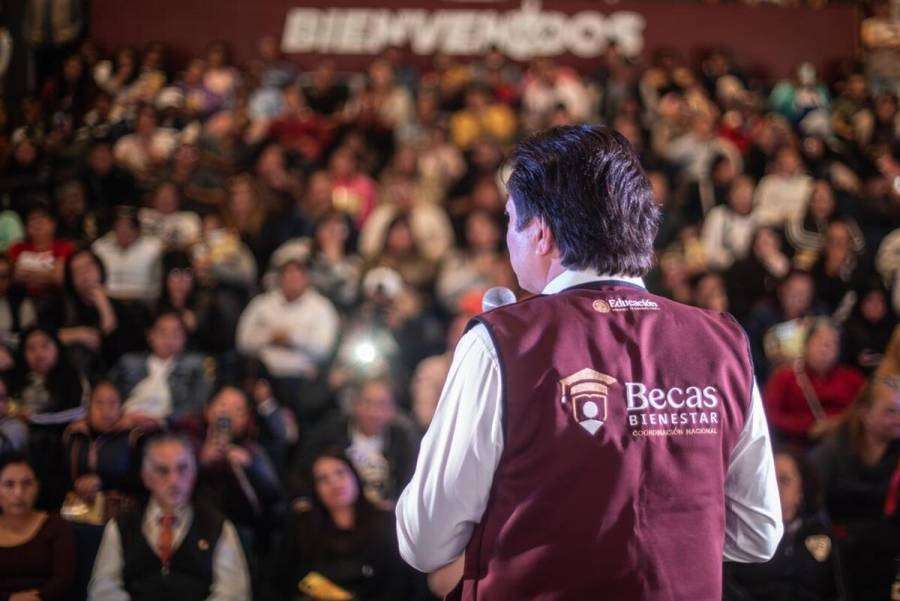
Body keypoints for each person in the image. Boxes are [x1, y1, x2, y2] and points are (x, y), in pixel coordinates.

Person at [396, 126, 782, 599]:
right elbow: (757, 533)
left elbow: (424, 541)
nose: (507, 239)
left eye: (510, 220)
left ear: (541, 233)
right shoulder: (722, 341)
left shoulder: (501, 342)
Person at [88, 433, 251, 601]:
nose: (174, 480)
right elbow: (103, 589)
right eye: (162, 471)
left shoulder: (216, 525)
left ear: (194, 473)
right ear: (146, 477)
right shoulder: (122, 524)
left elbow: (233, 593)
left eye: (182, 469)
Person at [268, 448, 408, 601]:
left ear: (355, 477)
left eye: (340, 473)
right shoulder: (303, 526)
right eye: (323, 479)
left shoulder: (385, 522)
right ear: (315, 489)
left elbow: (401, 582)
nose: (334, 483)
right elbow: (282, 581)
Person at [808, 379, 900, 601]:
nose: (899, 419)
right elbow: (811, 507)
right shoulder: (830, 453)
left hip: (885, 553)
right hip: (837, 553)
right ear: (865, 413)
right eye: (890, 411)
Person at [723, 449, 846, 601]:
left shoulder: (821, 535)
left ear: (801, 492)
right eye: (769, 480)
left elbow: (835, 591)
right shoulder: (741, 535)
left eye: (784, 480)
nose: (774, 488)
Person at [764, 319, 866, 447]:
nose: (825, 349)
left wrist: (837, 423)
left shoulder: (852, 379)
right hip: (796, 445)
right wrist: (808, 427)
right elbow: (770, 417)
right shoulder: (784, 377)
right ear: (806, 345)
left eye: (832, 343)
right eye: (820, 341)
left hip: (844, 443)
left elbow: (866, 411)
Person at [0, 453, 76, 601]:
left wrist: (36, 597)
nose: (19, 493)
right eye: (9, 484)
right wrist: (9, 598)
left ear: (37, 487)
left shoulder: (56, 526)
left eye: (27, 484)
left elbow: (63, 579)